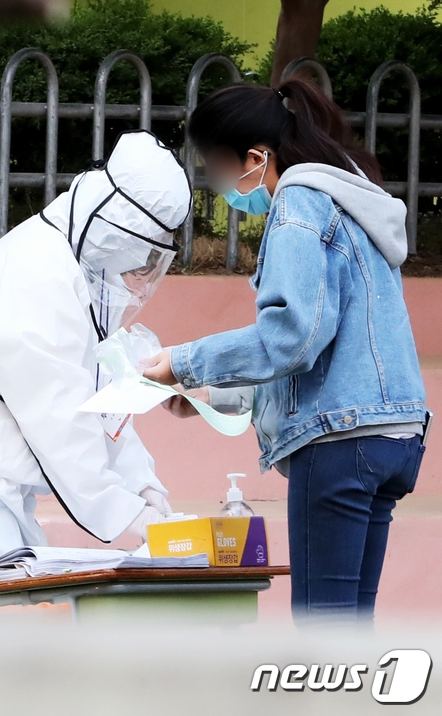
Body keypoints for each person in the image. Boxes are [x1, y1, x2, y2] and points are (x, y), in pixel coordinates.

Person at [144, 81, 429, 625]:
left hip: (339, 443)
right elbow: (324, 340)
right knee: (346, 631)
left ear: (255, 158)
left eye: (215, 168)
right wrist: (217, 393)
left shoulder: (298, 202)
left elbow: (293, 335)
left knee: (321, 634)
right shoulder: (352, 204)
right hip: (392, 436)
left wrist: (182, 360)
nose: (217, 184)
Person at [0, 130, 192, 613]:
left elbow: (99, 402)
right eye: (141, 254)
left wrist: (145, 485)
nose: (144, 273)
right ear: (111, 230)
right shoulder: (39, 272)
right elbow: (60, 418)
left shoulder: (76, 268)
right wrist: (133, 514)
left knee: (10, 633)